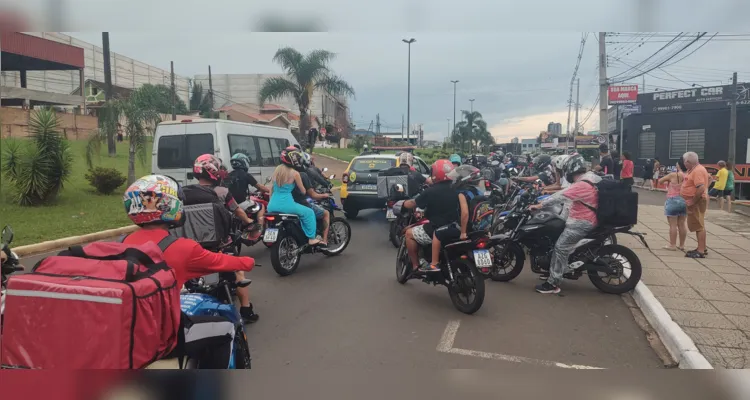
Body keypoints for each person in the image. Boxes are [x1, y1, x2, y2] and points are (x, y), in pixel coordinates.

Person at [121, 175, 255, 368]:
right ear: (170, 205)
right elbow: (219, 261)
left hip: (130, 331)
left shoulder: (122, 243)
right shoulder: (183, 248)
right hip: (163, 336)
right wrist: (247, 262)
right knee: (228, 327)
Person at [188, 154, 259, 322]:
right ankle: (246, 309)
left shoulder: (187, 192)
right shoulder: (222, 192)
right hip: (220, 243)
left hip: (193, 246)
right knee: (238, 272)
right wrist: (249, 222)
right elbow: (237, 210)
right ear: (214, 172)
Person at [528, 154, 601, 294]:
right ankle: (554, 270)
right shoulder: (589, 178)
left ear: (571, 168)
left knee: (561, 247)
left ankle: (553, 283)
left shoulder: (581, 184)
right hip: (582, 219)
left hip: (582, 222)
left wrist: (540, 205)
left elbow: (561, 196)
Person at [402, 160, 467, 272]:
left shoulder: (430, 191)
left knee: (409, 234)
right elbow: (464, 212)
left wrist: (403, 203)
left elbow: (413, 203)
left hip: (435, 228)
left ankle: (416, 265)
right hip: (455, 227)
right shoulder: (457, 190)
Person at [266, 147, 324, 246]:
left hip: (271, 205)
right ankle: (311, 238)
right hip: (287, 204)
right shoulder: (295, 173)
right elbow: (303, 191)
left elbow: (271, 189)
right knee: (309, 213)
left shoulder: (277, 170)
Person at [227, 153, 270, 232]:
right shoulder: (246, 175)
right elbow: (260, 187)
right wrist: (270, 191)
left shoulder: (228, 175)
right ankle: (259, 228)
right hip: (241, 204)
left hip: (229, 205)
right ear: (244, 162)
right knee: (261, 206)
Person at [680, 151, 709, 259]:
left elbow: (700, 187)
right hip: (696, 201)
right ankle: (702, 247)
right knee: (698, 225)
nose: (684, 164)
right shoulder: (694, 169)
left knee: (698, 226)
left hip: (696, 201)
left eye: (684, 161)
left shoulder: (697, 171)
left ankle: (700, 250)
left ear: (687, 161)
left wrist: (693, 201)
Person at [298, 153, 331, 245]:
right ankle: (324, 241)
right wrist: (324, 195)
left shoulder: (282, 173)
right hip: (301, 202)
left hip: (282, 204)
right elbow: (312, 194)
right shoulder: (302, 174)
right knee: (325, 213)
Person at [658, 159, 688, 251]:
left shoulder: (673, 175)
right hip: (684, 200)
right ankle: (682, 245)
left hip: (672, 200)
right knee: (682, 223)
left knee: (673, 225)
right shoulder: (688, 175)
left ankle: (672, 245)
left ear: (678, 165)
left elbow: (660, 181)